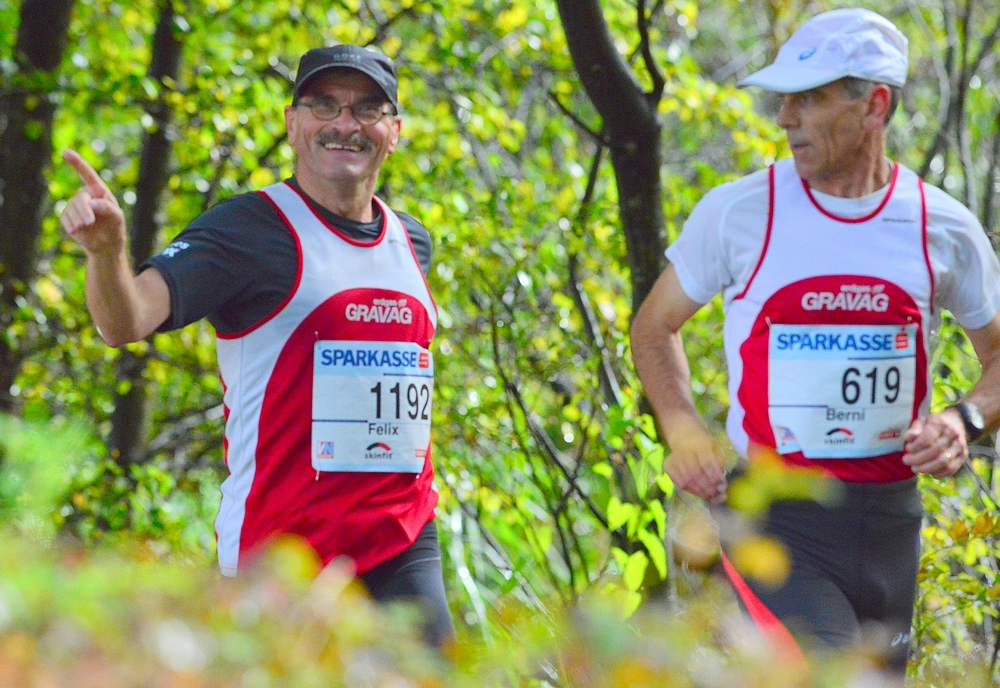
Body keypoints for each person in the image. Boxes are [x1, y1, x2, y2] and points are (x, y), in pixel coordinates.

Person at [631, 7, 1000, 678]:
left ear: (874, 106)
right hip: (776, 522)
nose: (784, 118)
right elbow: (654, 326)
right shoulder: (740, 213)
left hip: (891, 524)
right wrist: (683, 429)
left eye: (809, 98)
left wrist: (963, 419)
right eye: (783, 99)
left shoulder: (939, 225)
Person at [59, 44, 455, 647]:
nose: (345, 124)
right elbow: (127, 320)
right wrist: (107, 252)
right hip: (283, 550)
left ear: (393, 132)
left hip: (400, 540)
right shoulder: (247, 229)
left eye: (366, 109)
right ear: (293, 123)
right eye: (325, 105)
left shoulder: (413, 243)